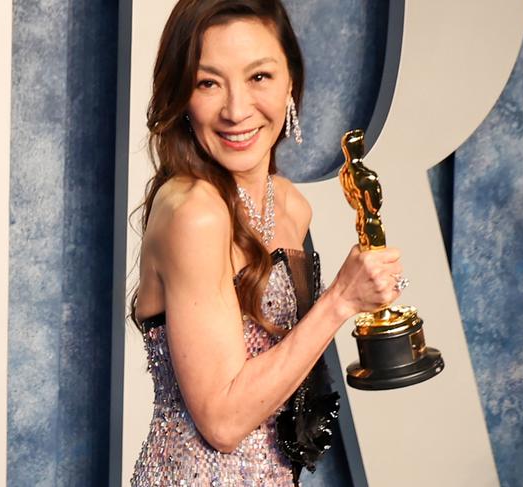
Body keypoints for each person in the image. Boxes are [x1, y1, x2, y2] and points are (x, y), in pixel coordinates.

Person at [129, 1, 404, 485]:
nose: (236, 110)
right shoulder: (194, 212)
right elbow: (223, 421)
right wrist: (340, 300)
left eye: (259, 77)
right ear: (182, 96)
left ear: (290, 82)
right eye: (207, 82)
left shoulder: (291, 206)